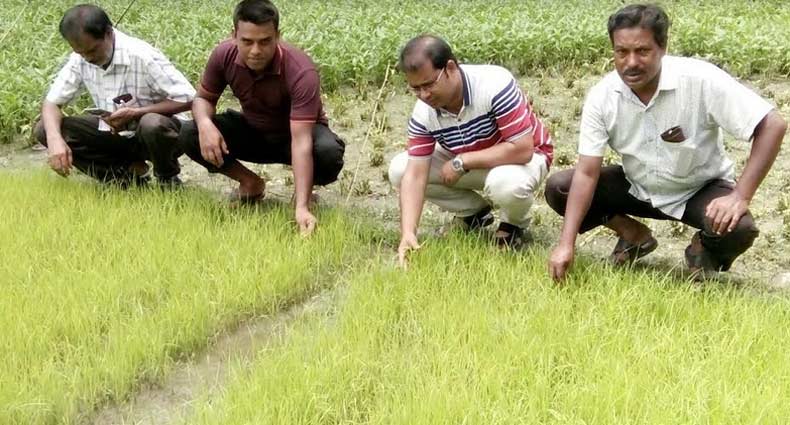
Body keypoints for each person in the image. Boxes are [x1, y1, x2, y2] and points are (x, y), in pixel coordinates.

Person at [545, 4, 787, 282]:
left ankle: (702, 251)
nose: (631, 62)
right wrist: (566, 244)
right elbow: (587, 173)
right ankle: (633, 236)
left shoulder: (699, 79)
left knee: (739, 228)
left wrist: (739, 196)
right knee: (561, 188)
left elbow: (772, 125)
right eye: (621, 52)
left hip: (697, 190)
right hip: (638, 186)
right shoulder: (603, 97)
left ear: (663, 47)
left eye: (642, 51)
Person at [179, 0, 345, 236]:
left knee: (328, 152)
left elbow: (301, 141)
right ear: (234, 36)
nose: (255, 51)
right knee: (190, 132)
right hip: (254, 131)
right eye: (247, 41)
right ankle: (250, 183)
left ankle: (304, 195)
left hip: (295, 138)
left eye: (265, 41)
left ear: (277, 36)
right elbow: (203, 99)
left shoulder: (301, 71)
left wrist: (301, 207)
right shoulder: (223, 55)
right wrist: (205, 124)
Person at [389, 35, 554, 267]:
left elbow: (522, 149)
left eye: (429, 84)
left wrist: (463, 161)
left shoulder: (494, 84)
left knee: (505, 184)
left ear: (450, 68)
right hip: (471, 161)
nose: (424, 95)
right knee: (400, 170)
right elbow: (415, 175)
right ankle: (474, 213)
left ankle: (513, 224)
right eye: (416, 88)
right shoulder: (423, 112)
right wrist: (408, 233)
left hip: (522, 159)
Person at [36, 4, 195, 187]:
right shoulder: (80, 59)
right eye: (80, 52)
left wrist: (136, 113)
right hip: (115, 134)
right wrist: (54, 140)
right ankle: (125, 176)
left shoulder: (141, 55)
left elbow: (189, 98)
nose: (87, 58)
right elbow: (51, 103)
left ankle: (167, 179)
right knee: (45, 129)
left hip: (158, 136)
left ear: (109, 33)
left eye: (92, 50)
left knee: (151, 123)